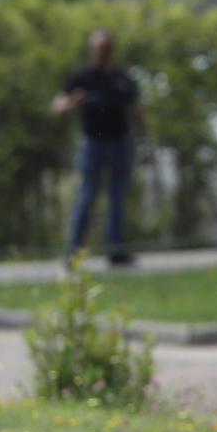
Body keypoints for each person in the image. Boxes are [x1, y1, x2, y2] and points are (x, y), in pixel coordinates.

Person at [54, 28, 142, 265]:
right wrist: (73, 102)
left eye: (105, 49)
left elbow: (136, 111)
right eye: (98, 49)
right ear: (92, 50)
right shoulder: (80, 77)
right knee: (87, 196)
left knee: (117, 198)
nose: (101, 53)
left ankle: (116, 250)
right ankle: (74, 252)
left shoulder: (122, 78)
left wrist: (144, 143)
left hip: (120, 143)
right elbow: (59, 106)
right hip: (92, 144)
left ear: (111, 50)